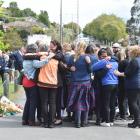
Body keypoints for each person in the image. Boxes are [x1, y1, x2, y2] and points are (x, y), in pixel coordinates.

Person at [67, 41, 95, 128]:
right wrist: (89, 62)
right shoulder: (88, 57)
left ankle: (78, 121)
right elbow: (90, 70)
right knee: (85, 102)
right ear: (85, 47)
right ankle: (83, 122)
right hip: (85, 82)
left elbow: (68, 67)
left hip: (75, 82)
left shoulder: (72, 57)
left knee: (77, 102)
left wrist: (70, 68)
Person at [124, 45, 140, 128]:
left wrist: (120, 73)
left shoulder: (134, 61)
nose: (128, 52)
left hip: (133, 84)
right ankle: (137, 121)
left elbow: (128, 73)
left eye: (130, 51)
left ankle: (137, 121)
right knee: (137, 103)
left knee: (132, 103)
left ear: (133, 52)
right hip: (138, 83)